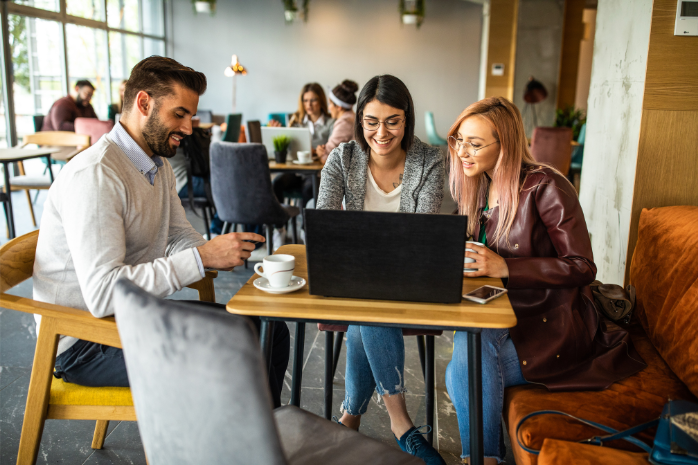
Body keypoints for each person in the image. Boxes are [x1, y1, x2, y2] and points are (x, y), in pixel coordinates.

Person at [32, 56, 290, 407]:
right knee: (229, 355)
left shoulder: (157, 164)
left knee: (268, 333)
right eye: (179, 114)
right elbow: (103, 294)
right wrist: (200, 258)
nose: (188, 128)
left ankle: (268, 443)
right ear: (143, 103)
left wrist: (215, 250)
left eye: (191, 117)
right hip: (84, 342)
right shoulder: (96, 175)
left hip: (132, 319)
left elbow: (175, 235)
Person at [444, 97, 646, 464]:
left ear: (504, 145)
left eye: (474, 144)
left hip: (552, 323)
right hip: (504, 317)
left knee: (465, 366)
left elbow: (583, 265)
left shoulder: (545, 186)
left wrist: (506, 268)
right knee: (466, 355)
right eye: (459, 140)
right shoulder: (478, 186)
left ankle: (482, 459)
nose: (462, 152)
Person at [317, 75, 446, 465]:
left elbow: (420, 234)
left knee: (369, 303)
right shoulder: (343, 157)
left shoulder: (430, 160)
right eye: (371, 121)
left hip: (409, 280)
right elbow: (324, 222)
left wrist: (364, 254)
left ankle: (350, 418)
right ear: (359, 121)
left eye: (393, 120)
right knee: (368, 298)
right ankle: (399, 423)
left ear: (406, 119)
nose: (382, 132)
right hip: (354, 278)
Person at [272, 83, 336, 247]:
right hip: (296, 170)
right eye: (305, 100)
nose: (309, 104)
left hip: (315, 173)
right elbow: (289, 147)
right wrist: (278, 132)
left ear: (321, 100)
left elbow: (331, 149)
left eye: (313, 100)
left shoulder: (331, 123)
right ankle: (279, 229)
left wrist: (316, 152)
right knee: (277, 183)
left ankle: (304, 230)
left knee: (309, 188)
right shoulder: (296, 121)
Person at [316, 79, 359, 163]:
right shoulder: (352, 117)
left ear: (339, 107)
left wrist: (320, 153)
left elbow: (326, 159)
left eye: (330, 104)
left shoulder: (344, 122)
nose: (328, 108)